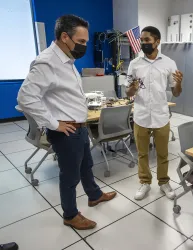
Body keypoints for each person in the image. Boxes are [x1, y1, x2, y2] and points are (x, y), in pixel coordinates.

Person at [17, 15, 116, 230]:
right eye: (81, 42)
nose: (84, 47)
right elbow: (25, 98)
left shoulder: (67, 58)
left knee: (86, 166)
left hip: (79, 127)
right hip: (65, 130)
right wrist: (54, 123)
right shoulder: (47, 62)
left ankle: (94, 195)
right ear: (64, 36)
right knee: (70, 176)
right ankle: (70, 214)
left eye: (86, 42)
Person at [126, 26, 183, 201]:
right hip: (141, 115)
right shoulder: (135, 64)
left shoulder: (169, 63)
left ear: (157, 41)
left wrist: (179, 83)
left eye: (147, 40)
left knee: (162, 153)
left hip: (161, 116)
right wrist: (133, 89)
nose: (143, 43)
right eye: (141, 40)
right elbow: (128, 93)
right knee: (142, 153)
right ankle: (144, 182)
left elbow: (177, 92)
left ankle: (164, 182)